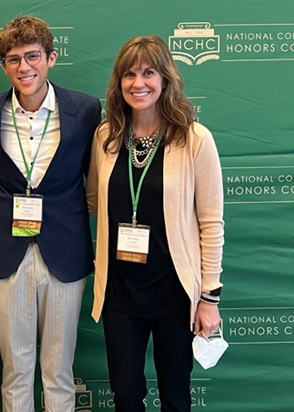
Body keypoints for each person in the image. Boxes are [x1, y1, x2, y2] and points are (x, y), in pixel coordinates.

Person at [86, 35, 224, 411]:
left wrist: (209, 298)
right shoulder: (106, 137)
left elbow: (211, 223)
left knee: (176, 397)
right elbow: (91, 203)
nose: (138, 83)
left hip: (174, 294)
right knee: (126, 395)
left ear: (165, 78)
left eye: (148, 72)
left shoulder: (194, 139)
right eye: (128, 74)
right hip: (120, 293)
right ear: (119, 83)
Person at [0, 16, 102, 412]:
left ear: (51, 57)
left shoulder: (84, 109)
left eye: (32, 56)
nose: (23, 67)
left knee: (58, 368)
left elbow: (96, 173)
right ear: (4, 66)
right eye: (13, 60)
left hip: (65, 251)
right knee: (15, 368)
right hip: (9, 253)